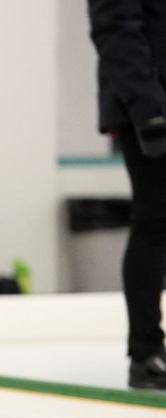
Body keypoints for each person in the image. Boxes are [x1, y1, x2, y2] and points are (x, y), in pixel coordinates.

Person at [88, 0, 166, 391]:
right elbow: (114, 27)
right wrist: (148, 110)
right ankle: (146, 353)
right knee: (155, 220)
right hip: (150, 103)